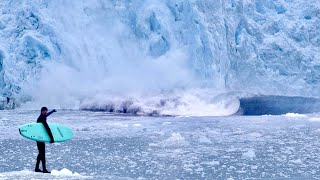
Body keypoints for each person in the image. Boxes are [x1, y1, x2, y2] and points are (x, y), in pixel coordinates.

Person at [35, 107, 57, 173]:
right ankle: (44, 169)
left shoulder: (42, 116)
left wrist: (52, 111)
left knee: (40, 153)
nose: (45, 112)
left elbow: (47, 115)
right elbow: (47, 128)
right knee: (42, 153)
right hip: (40, 138)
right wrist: (52, 138)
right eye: (44, 111)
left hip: (39, 136)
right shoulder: (42, 118)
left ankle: (36, 168)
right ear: (41, 111)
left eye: (46, 111)